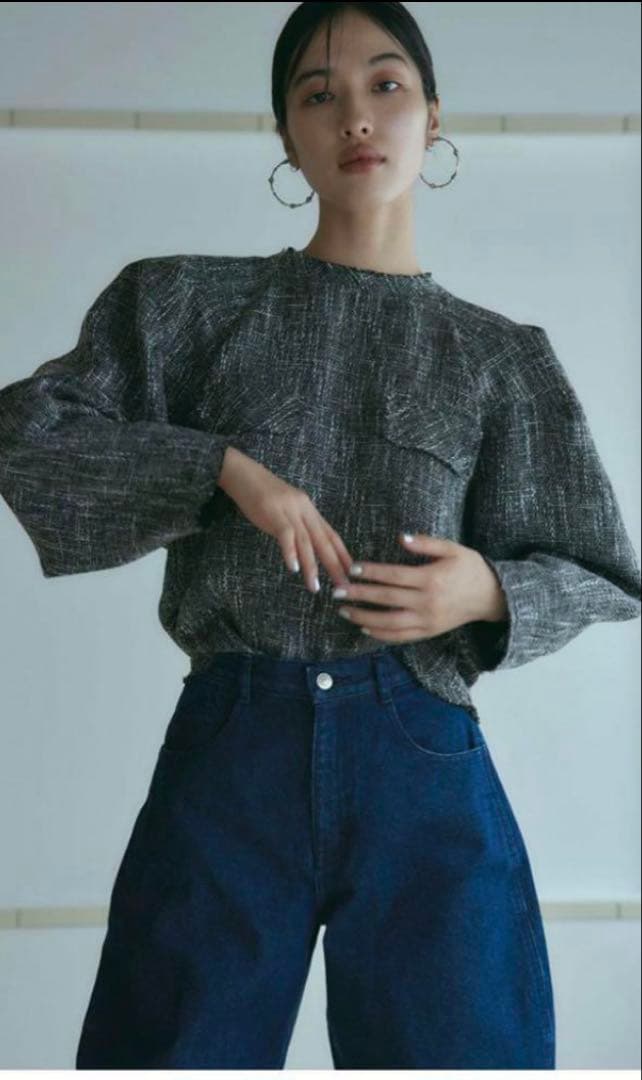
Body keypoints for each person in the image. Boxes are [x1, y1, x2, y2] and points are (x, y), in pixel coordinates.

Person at [0, 1, 640, 1070]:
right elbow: (27, 435)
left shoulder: (500, 358)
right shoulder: (186, 305)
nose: (356, 117)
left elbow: (603, 571)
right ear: (285, 136)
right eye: (318, 93)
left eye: (386, 85)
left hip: (421, 753)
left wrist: (487, 590)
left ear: (434, 116)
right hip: (231, 749)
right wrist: (220, 468)